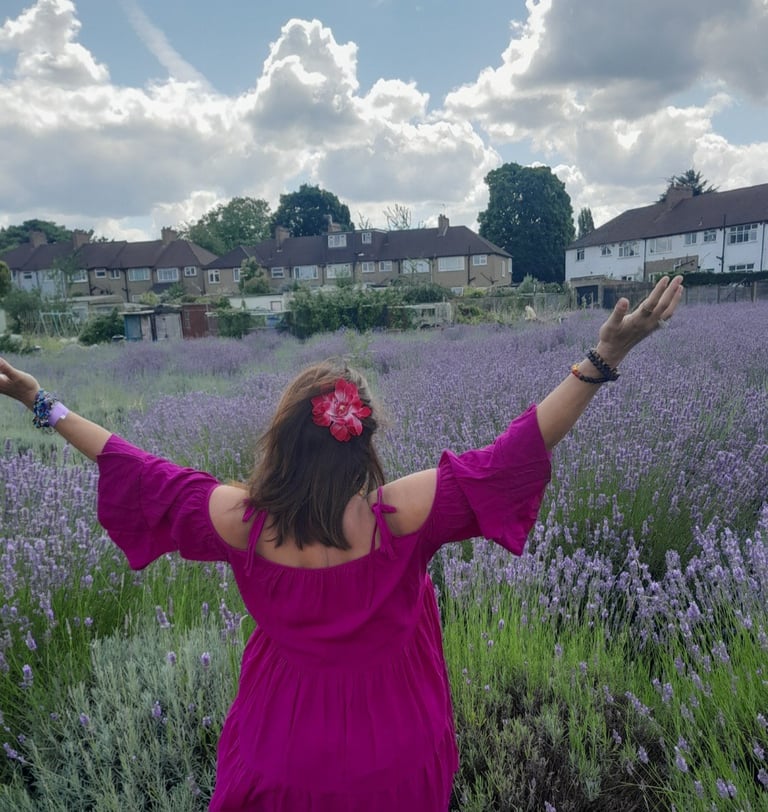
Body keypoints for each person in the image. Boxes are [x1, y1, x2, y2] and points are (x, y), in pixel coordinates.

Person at [0, 276, 683, 811]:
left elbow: (133, 465)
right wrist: (604, 356)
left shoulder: (242, 519)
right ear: (363, 443)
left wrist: (43, 403)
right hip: (397, 750)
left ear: (282, 442)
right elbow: (517, 450)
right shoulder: (402, 514)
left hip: (280, 747)